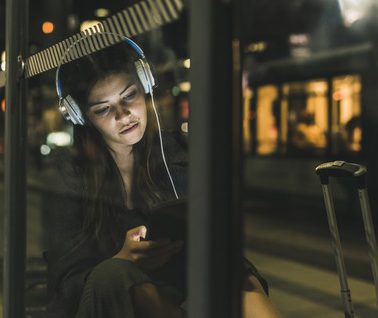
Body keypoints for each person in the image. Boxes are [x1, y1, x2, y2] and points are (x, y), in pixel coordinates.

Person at [46, 34, 281, 318]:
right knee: (113, 272)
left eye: (129, 95)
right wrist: (124, 260)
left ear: (145, 87)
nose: (124, 115)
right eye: (103, 109)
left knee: (226, 260)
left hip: (173, 291)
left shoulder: (180, 153)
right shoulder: (72, 177)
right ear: (82, 117)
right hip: (110, 303)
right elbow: (65, 283)